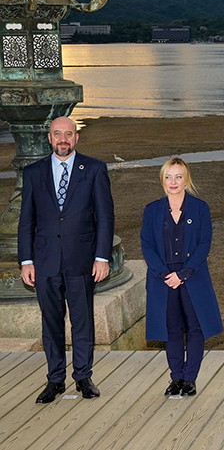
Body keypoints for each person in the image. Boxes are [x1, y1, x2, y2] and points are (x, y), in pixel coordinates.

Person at [18, 116, 114, 404]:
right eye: (57, 134)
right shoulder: (33, 172)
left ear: (76, 138)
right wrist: (26, 261)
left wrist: (101, 257)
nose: (63, 139)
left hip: (82, 259)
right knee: (51, 322)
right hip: (45, 260)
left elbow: (105, 217)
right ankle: (55, 379)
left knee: (82, 320)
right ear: (49, 138)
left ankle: (83, 376)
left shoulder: (95, 169)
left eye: (68, 134)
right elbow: (26, 221)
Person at [141, 158, 223, 397]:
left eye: (178, 176)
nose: (173, 182)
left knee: (195, 327)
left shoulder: (200, 208)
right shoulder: (152, 210)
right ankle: (176, 376)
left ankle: (190, 378)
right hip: (163, 279)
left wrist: (184, 274)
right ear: (162, 181)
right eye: (168, 177)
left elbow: (204, 243)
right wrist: (165, 274)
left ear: (186, 180)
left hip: (192, 276)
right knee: (171, 328)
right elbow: (146, 244)